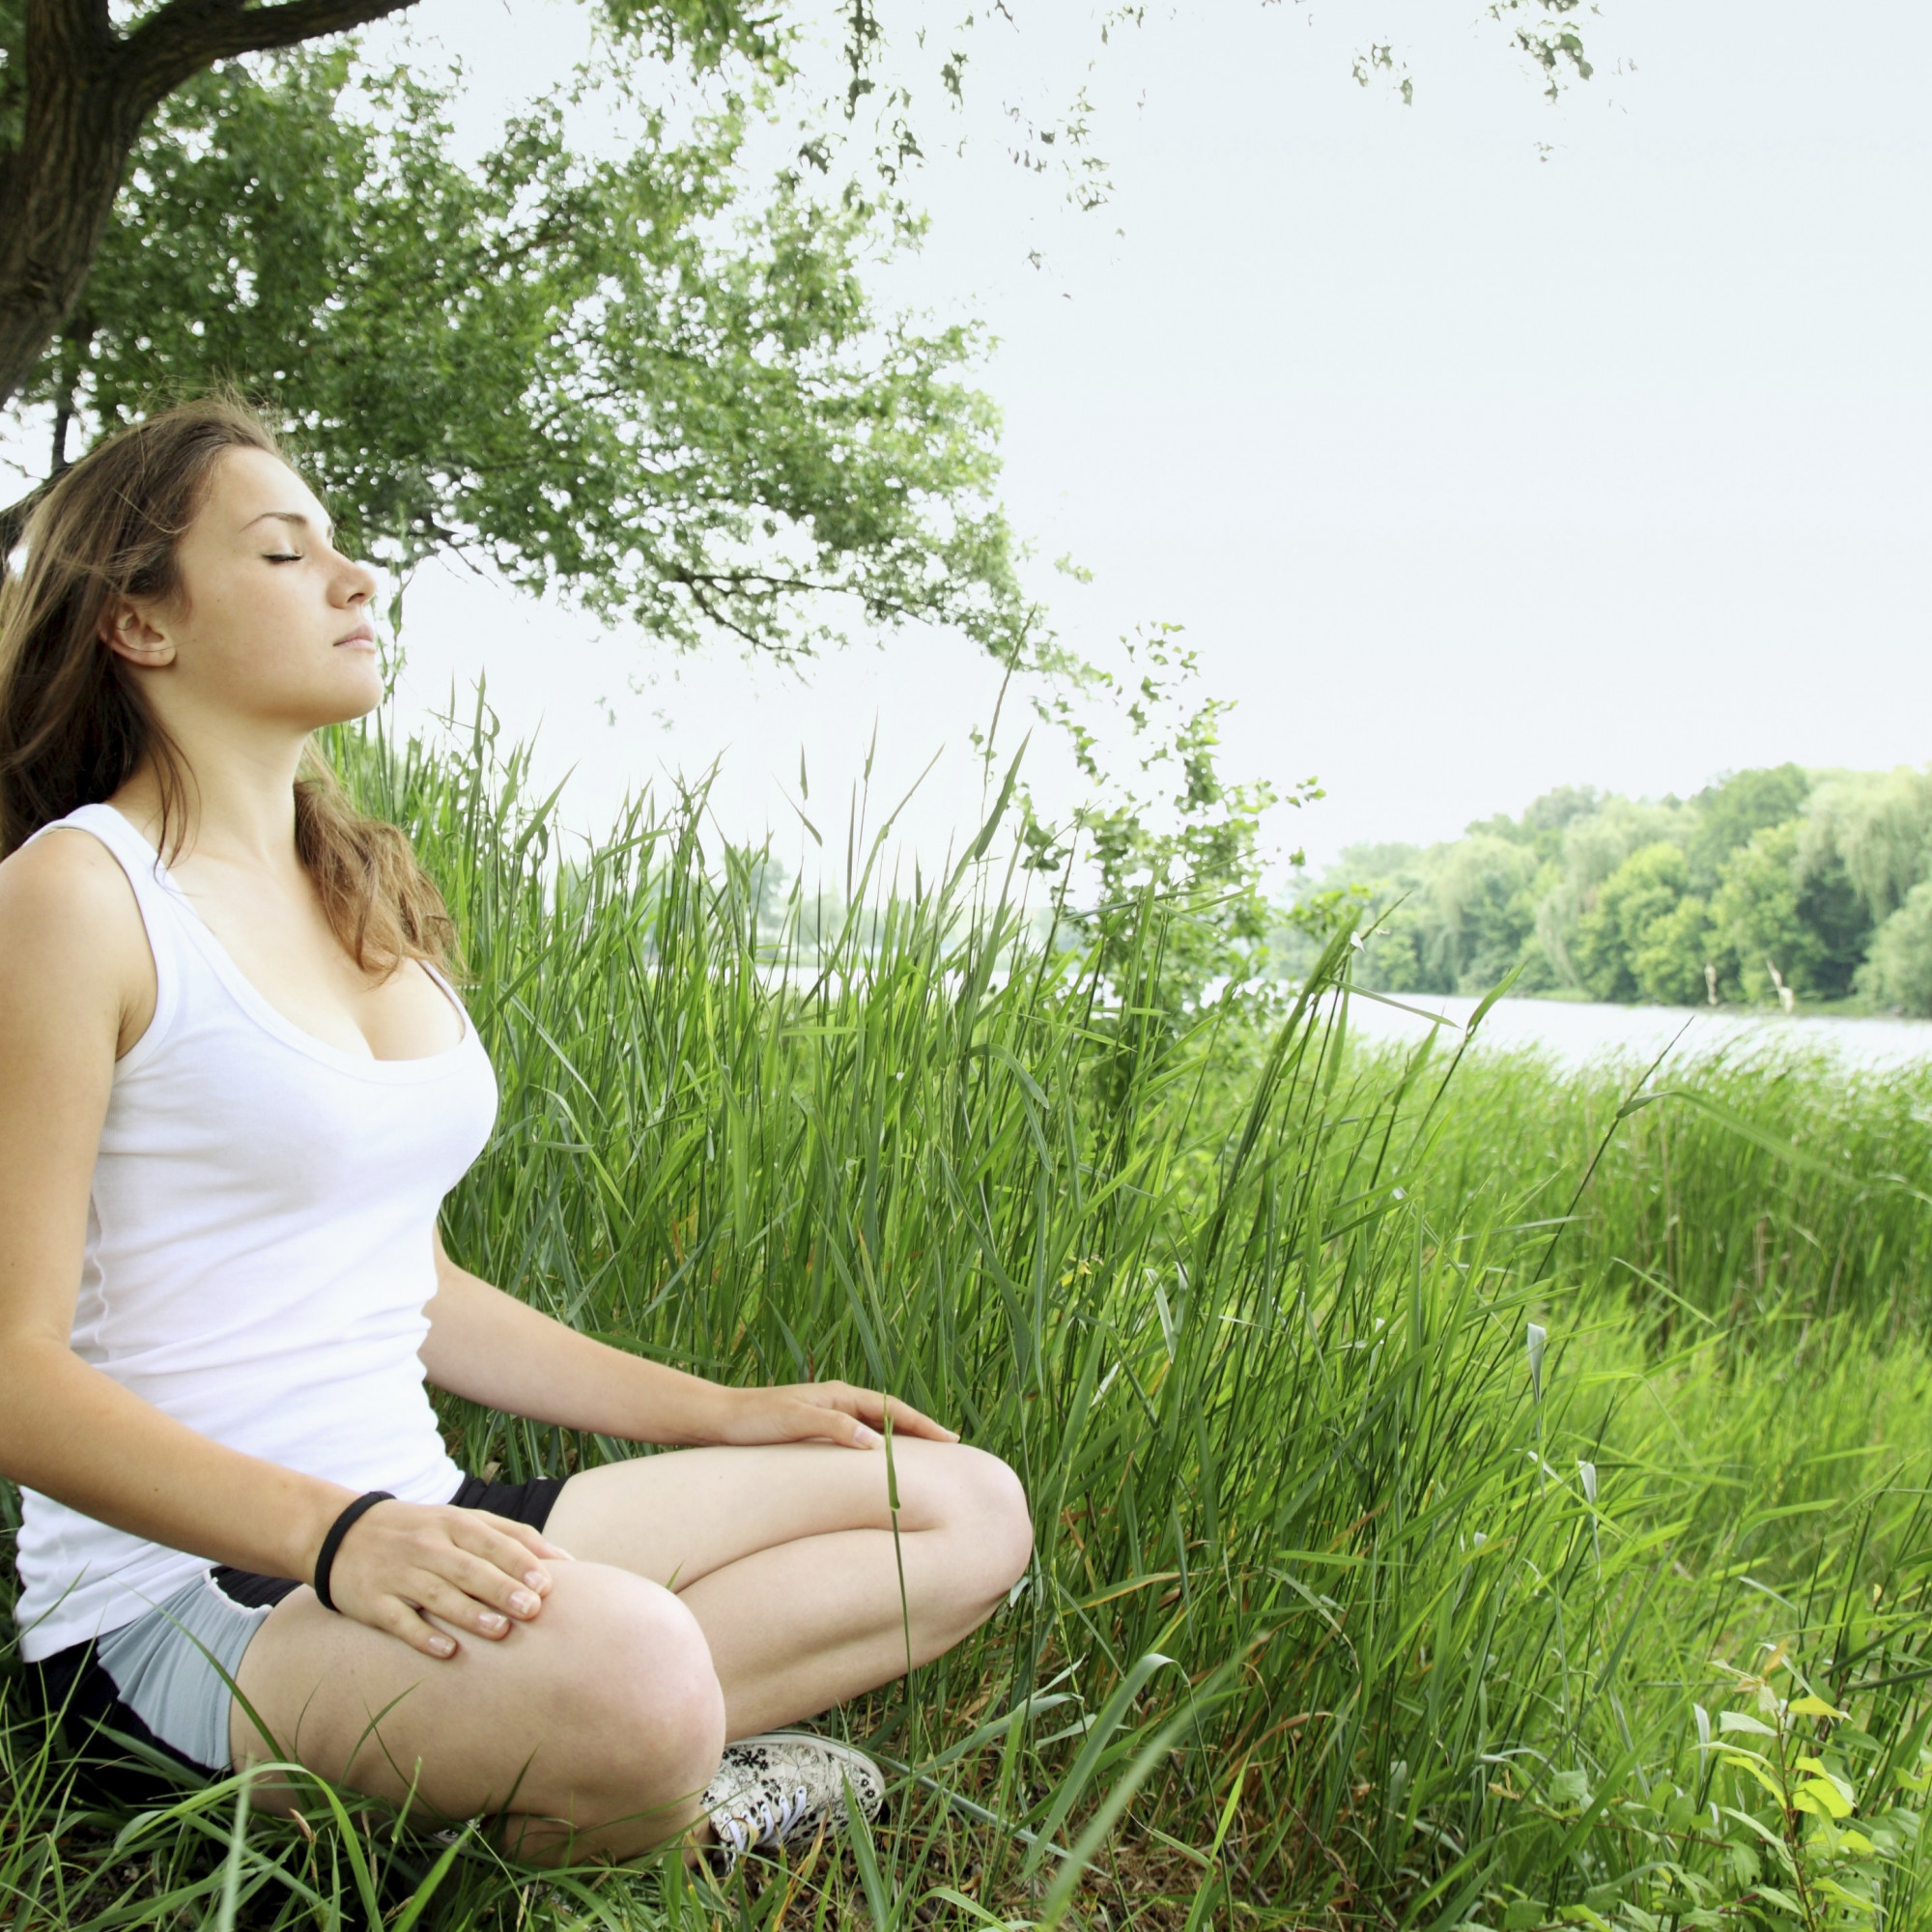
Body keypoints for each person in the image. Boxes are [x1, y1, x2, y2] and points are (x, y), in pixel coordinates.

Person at [0, 398, 1033, 1867]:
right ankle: (635, 1784)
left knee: (956, 1507)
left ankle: (566, 1769)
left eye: (344, 551)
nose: (357, 582)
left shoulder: (358, 896)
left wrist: (724, 1410)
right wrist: (337, 1538)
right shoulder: (75, 895)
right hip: (191, 1600)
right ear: (140, 627)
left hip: (417, 1519)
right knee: (636, 1667)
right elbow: (13, 1373)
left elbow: (412, 1290)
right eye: (288, 554)